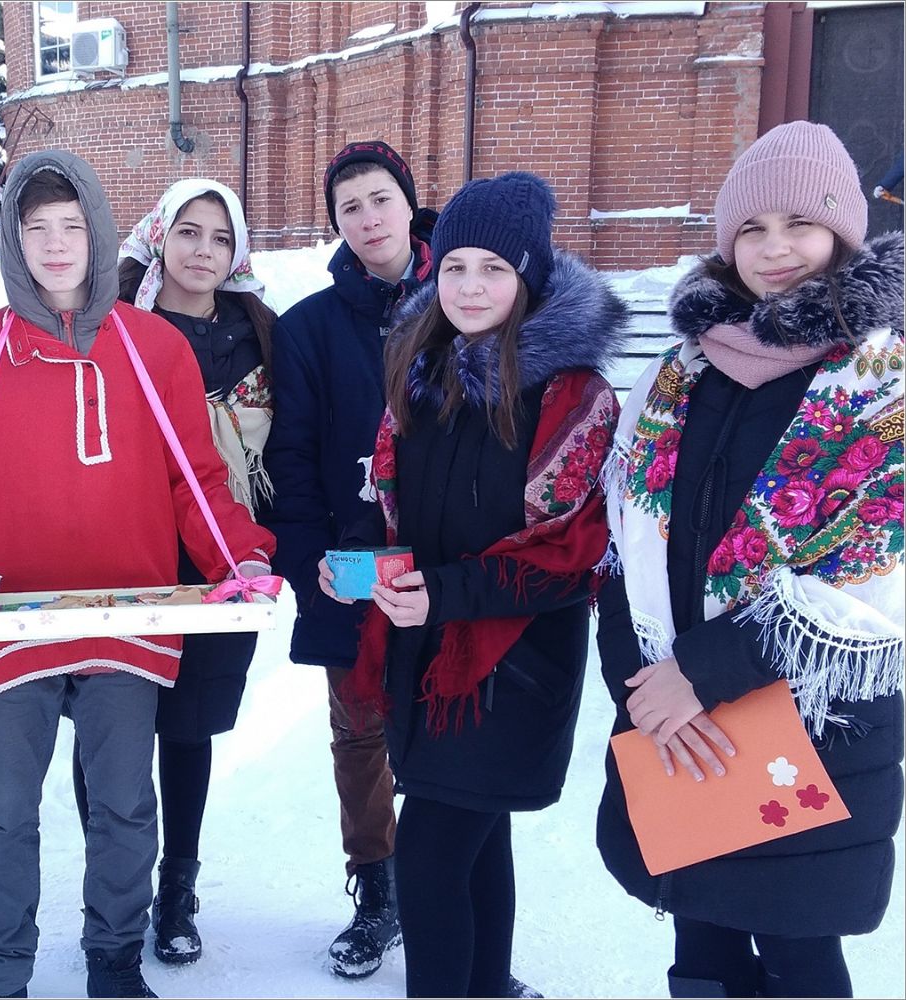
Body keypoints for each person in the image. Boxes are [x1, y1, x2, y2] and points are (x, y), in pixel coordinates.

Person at [0, 151, 276, 1000]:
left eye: (72, 227)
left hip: (127, 611)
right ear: (13, 240)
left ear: (101, 234)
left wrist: (241, 556)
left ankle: (113, 961)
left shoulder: (153, 347)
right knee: (1, 813)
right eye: (36, 228)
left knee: (123, 806)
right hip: (3, 622)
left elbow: (193, 479)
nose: (55, 245)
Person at [596, 121, 904, 998]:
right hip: (677, 719)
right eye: (752, 228)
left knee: (797, 951)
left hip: (811, 722)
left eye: (799, 225)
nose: (774, 249)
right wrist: (645, 688)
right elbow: (625, 538)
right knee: (701, 948)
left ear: (840, 233)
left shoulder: (882, 382)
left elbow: (878, 568)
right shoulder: (678, 373)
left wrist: (702, 673)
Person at [329, 172, 627, 998]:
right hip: (425, 659)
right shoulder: (421, 372)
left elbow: (570, 554)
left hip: (509, 668)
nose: (468, 287)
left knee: (428, 855)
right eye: (454, 265)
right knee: (475, 839)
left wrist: (446, 593)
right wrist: (356, 556)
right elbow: (389, 501)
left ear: (527, 277)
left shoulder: (572, 394)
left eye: (492, 269)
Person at [78, 177, 278, 965]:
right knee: (107, 728)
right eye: (189, 231)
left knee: (187, 729)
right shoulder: (113, 326)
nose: (203, 250)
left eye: (221, 238)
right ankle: (111, 887)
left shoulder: (262, 333)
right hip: (123, 553)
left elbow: (287, 442)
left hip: (220, 555)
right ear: (159, 236)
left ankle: (176, 888)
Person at [262, 139, 436, 979]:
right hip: (354, 563)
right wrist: (309, 566)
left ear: (409, 202)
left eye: (379, 199)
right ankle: (378, 889)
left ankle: (444, 897)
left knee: (447, 727)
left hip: (446, 563)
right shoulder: (308, 328)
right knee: (359, 728)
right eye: (349, 207)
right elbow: (290, 459)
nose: (368, 219)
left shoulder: (465, 297)